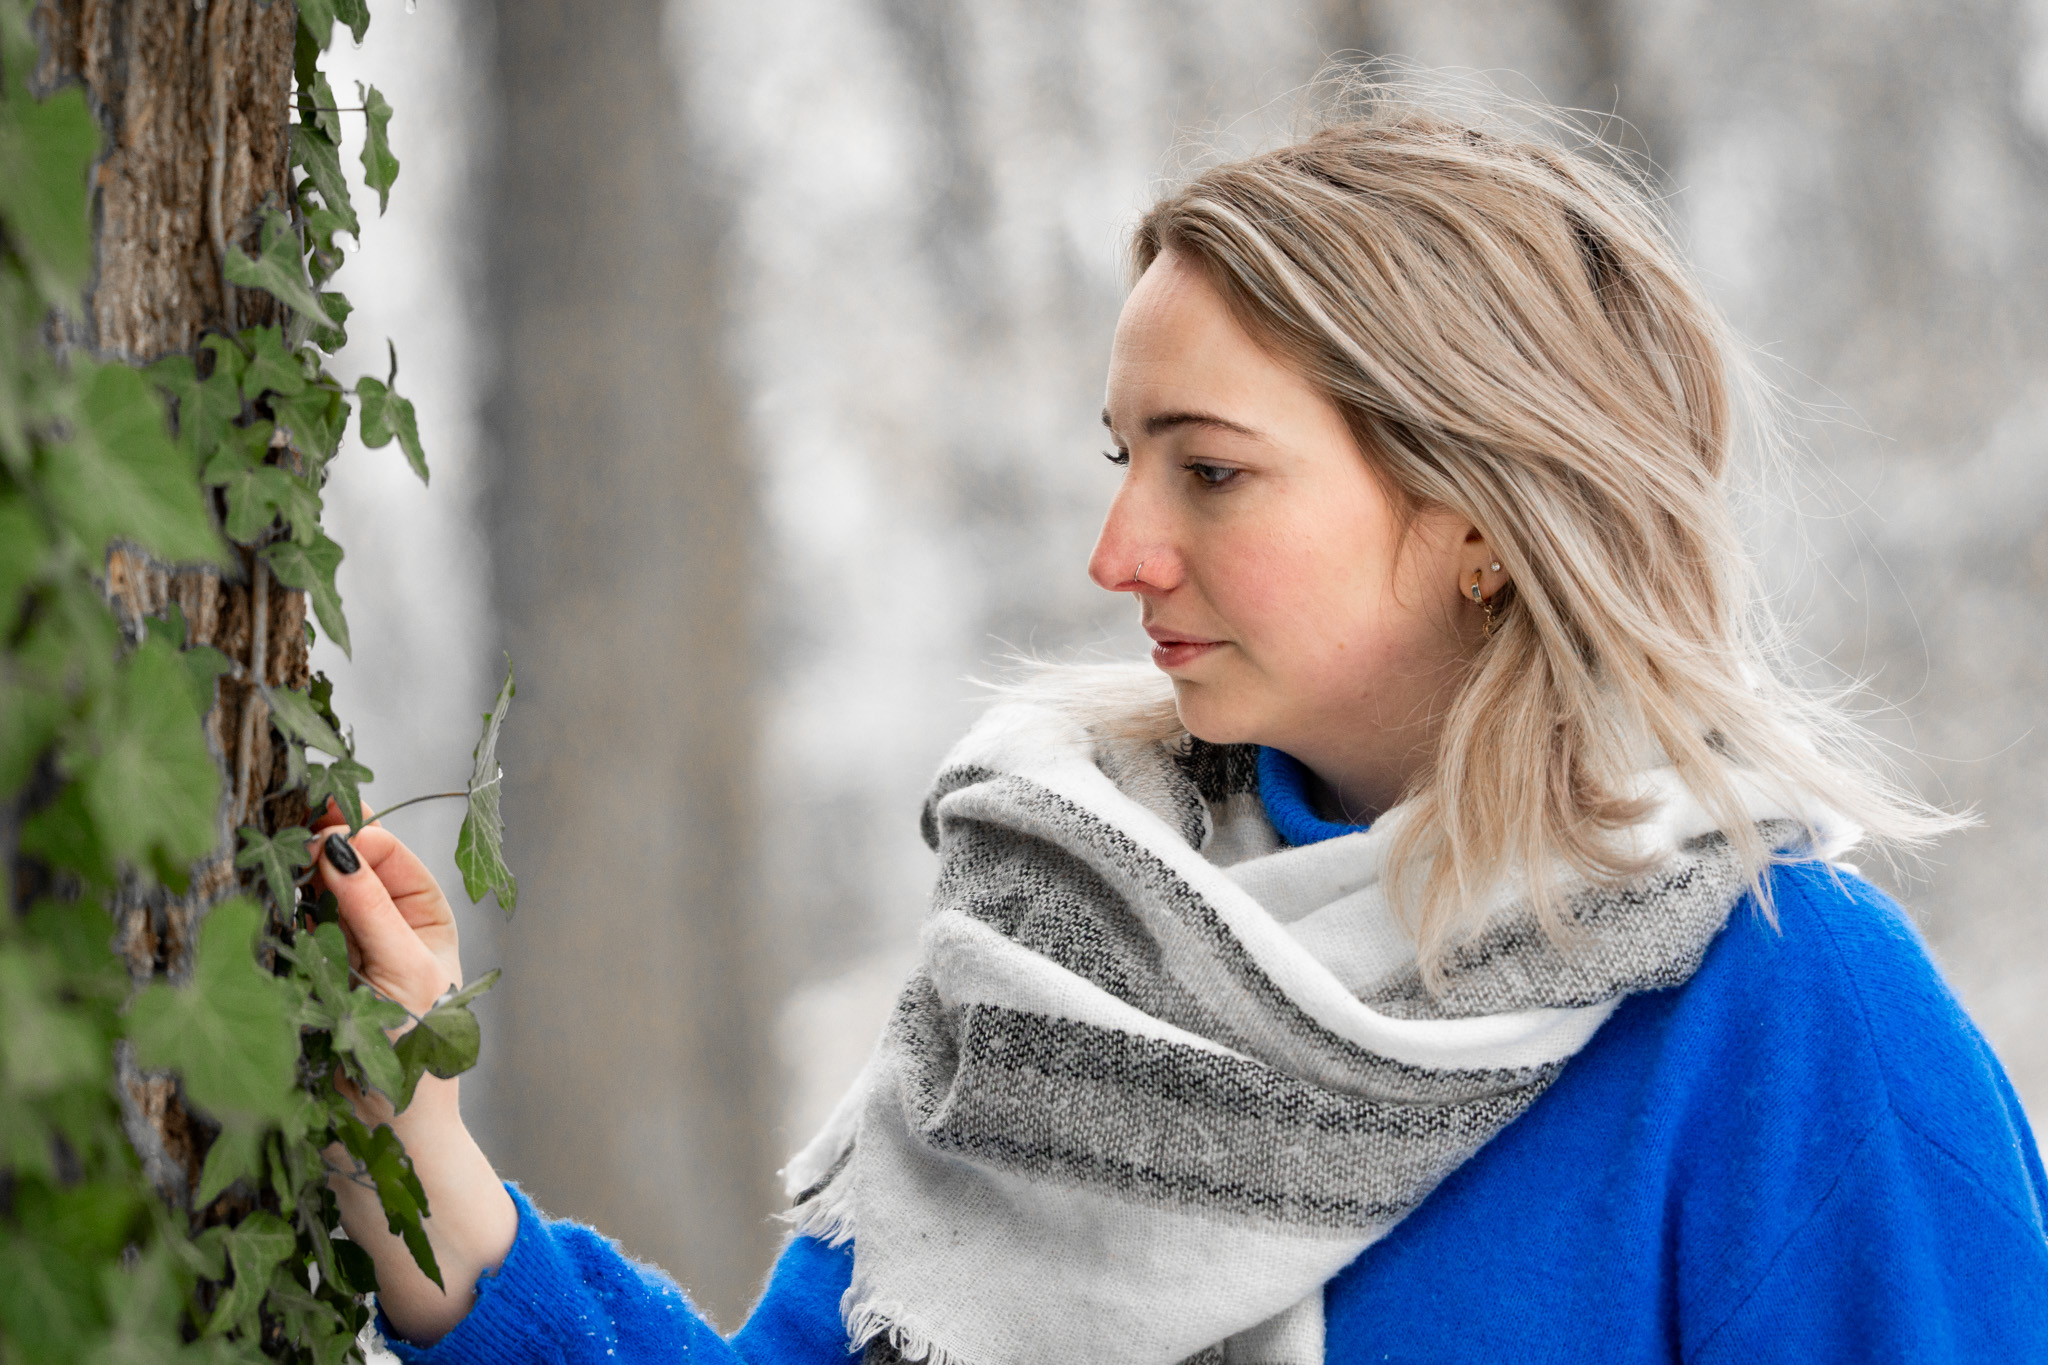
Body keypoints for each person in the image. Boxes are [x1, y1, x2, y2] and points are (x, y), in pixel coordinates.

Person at [313, 82, 2048, 1364]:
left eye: (1210, 470)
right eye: (1121, 458)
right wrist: (422, 1156)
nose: (1119, 551)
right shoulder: (1062, 954)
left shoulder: (1784, 1018)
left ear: (1473, 517)